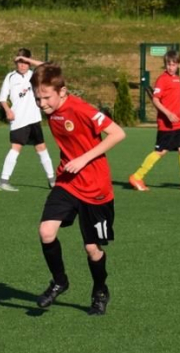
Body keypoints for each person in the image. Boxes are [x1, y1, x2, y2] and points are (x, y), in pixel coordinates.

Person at [30, 63, 126, 316]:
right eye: (37, 98)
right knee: (46, 231)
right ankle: (60, 281)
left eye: (46, 98)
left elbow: (117, 133)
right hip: (68, 182)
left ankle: (100, 289)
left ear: (63, 92)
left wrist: (84, 158)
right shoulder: (52, 109)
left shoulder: (81, 108)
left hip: (95, 188)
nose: (41, 103)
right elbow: (47, 70)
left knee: (92, 249)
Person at [128, 50, 180, 192]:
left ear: (178, 64)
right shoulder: (162, 79)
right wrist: (168, 114)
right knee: (160, 151)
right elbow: (155, 99)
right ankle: (137, 176)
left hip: (178, 123)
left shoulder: (177, 79)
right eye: (168, 64)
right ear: (165, 64)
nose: (171, 67)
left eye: (174, 64)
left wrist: (175, 115)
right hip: (167, 124)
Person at [0, 49, 56, 191]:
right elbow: (2, 99)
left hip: (34, 119)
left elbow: (48, 67)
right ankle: (3, 181)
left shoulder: (35, 75)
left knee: (42, 148)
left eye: (25, 62)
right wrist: (8, 110)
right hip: (19, 120)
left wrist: (29, 60)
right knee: (15, 148)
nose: (22, 65)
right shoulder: (10, 77)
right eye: (19, 62)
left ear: (29, 62)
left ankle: (52, 181)